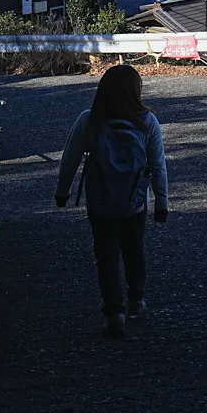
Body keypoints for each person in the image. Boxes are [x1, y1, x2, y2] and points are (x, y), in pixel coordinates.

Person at [55, 65, 169, 339]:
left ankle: (114, 312)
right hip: (135, 200)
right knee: (134, 249)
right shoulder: (147, 120)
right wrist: (162, 203)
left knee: (106, 256)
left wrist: (62, 192)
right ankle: (136, 299)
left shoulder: (89, 119)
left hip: (100, 201)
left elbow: (70, 159)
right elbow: (158, 165)